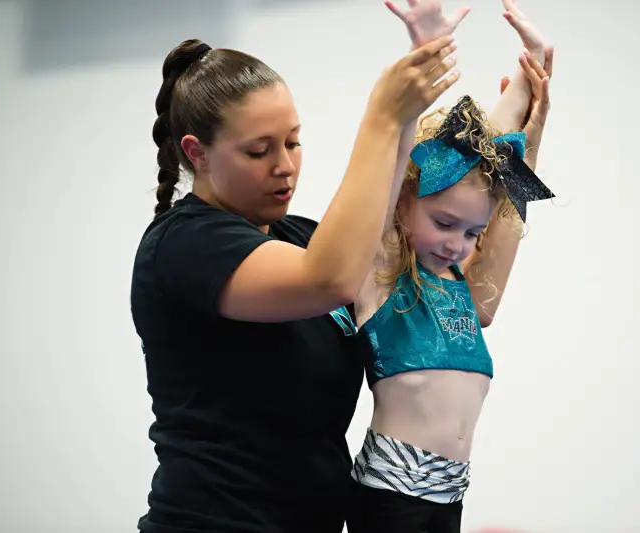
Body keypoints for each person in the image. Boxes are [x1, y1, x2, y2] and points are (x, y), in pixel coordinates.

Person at [129, 26, 461, 532]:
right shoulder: (184, 246)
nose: (285, 167)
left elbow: (399, 248)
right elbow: (330, 280)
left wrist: (411, 108)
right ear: (196, 153)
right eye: (259, 151)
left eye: (293, 142)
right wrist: (380, 115)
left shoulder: (301, 238)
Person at [346, 1, 555, 532]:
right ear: (403, 203)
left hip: (449, 496)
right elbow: (393, 152)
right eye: (443, 223)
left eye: (471, 232)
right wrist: (423, 52)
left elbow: (498, 160)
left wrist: (532, 70)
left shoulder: (465, 287)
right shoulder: (384, 274)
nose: (458, 244)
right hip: (392, 496)